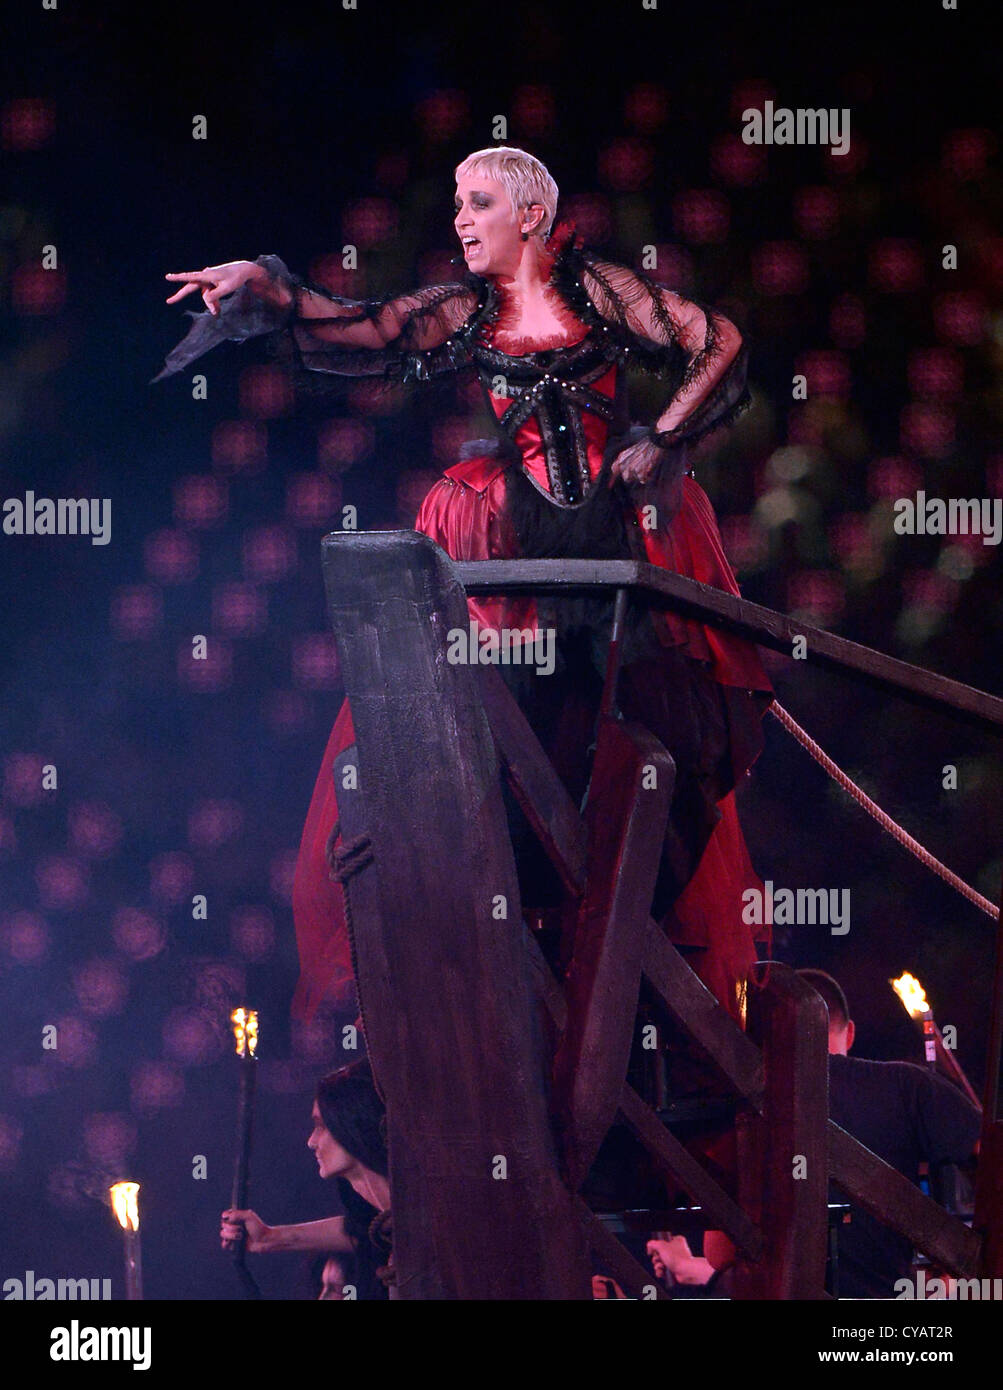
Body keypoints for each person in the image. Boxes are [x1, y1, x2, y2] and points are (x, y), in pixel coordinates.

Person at [159, 145, 773, 1025]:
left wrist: (669, 439)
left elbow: (720, 341)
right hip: (508, 532)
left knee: (646, 727)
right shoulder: (462, 311)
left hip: (620, 524)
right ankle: (511, 933)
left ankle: (619, 921)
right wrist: (268, 289)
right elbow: (361, 329)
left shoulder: (598, 292)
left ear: (529, 216)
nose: (458, 219)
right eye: (454, 202)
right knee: (502, 710)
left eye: (476, 202)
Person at [797, 968, 981, 1299]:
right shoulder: (908, 1087)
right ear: (849, 1033)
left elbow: (718, 1253)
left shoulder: (749, 1101)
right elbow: (987, 1155)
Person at [221, 1062, 392, 1300]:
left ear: (353, 1122)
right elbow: (362, 1229)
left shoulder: (432, 1223)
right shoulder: (385, 1226)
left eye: (321, 1126)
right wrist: (269, 1238)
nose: (312, 1141)